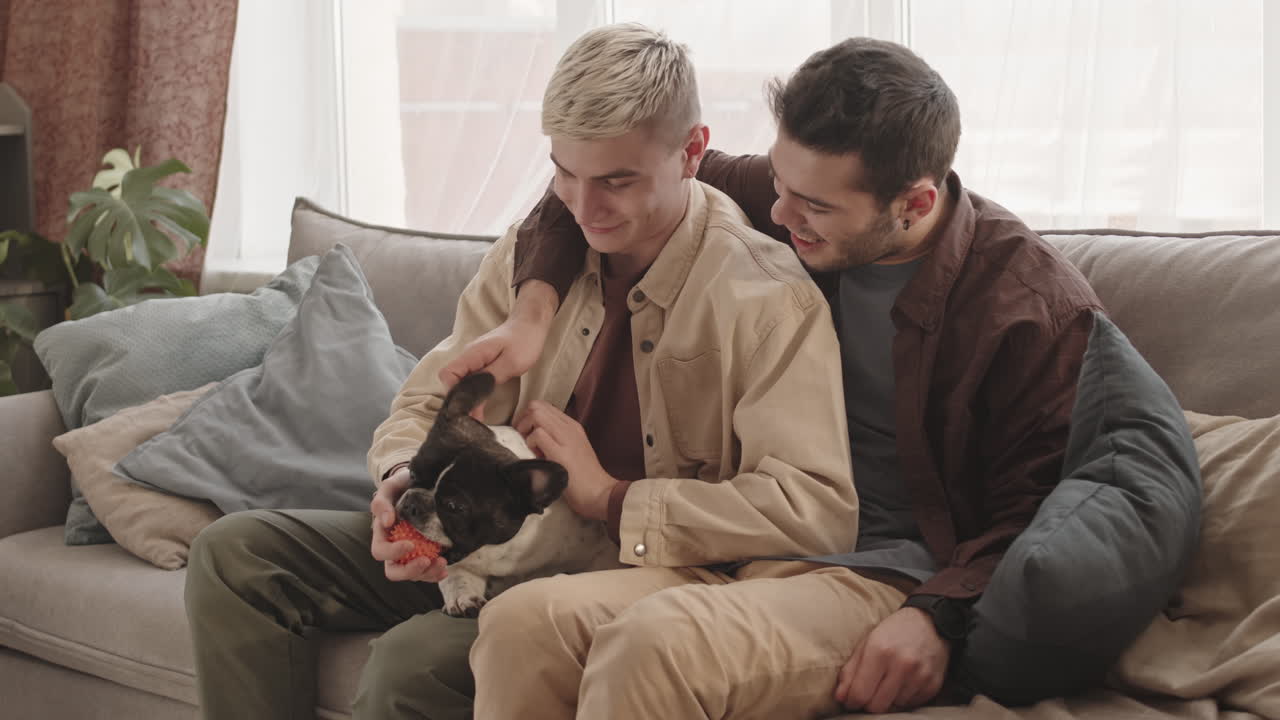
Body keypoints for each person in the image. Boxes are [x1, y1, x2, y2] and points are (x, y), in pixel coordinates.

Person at [183, 23, 871, 720]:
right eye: (565, 173)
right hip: (478, 539)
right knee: (237, 556)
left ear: (692, 152)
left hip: (638, 573)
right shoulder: (533, 256)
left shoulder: (765, 299)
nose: (583, 206)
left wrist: (614, 498)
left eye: (617, 181)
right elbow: (427, 403)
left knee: (410, 666)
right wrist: (404, 479)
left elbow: (813, 508)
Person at [441, 37, 1108, 715]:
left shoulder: (1028, 311)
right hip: (734, 555)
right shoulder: (801, 190)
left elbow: (1043, 511)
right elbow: (595, 182)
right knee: (520, 625)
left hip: (881, 572)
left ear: (914, 203)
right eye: (780, 186)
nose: (780, 217)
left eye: (812, 205)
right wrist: (532, 313)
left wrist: (940, 614)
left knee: (653, 644)